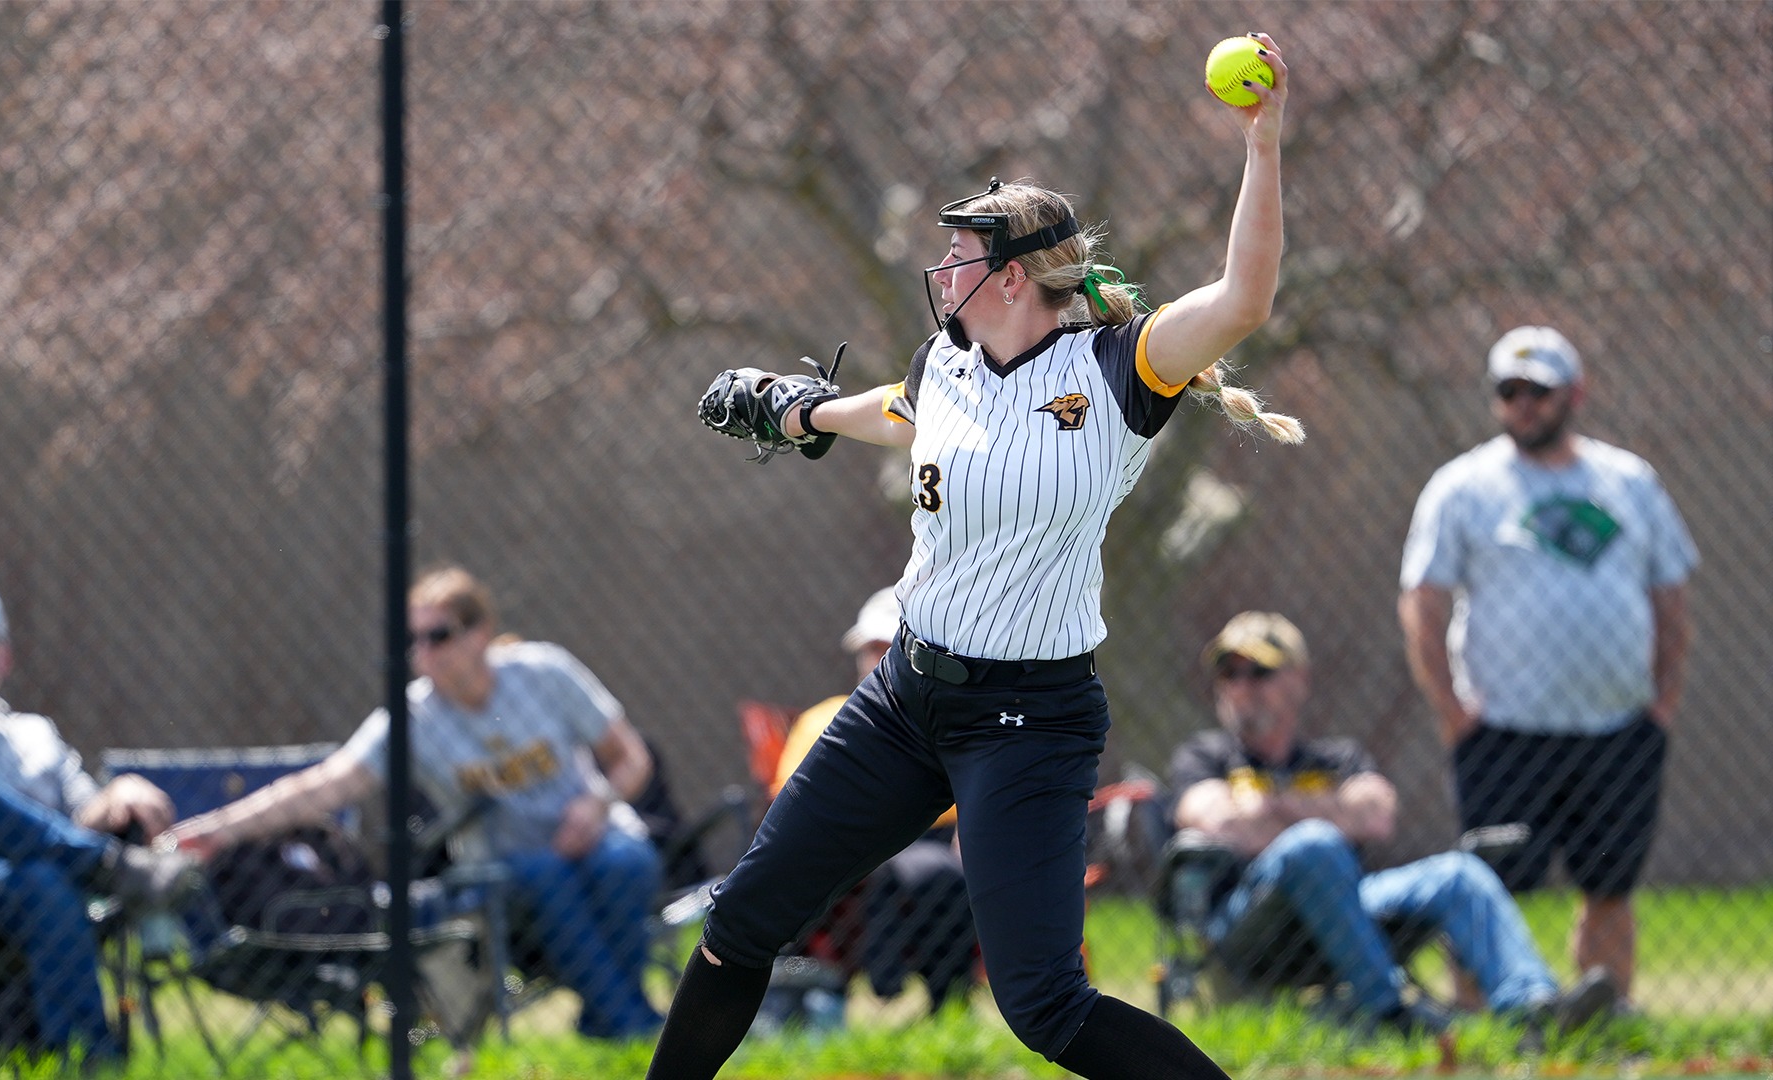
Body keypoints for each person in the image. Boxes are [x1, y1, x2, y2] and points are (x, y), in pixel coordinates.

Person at [654, 32, 1299, 1080]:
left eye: (961, 252)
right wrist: (795, 409)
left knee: (1044, 1007)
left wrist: (1263, 145)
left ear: (1009, 277)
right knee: (740, 922)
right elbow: (894, 413)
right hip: (905, 700)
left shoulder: (1121, 368)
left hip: (1029, 725)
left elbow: (1245, 300)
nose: (942, 266)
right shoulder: (947, 365)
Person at [166, 566, 666, 1041]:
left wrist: (597, 804)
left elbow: (632, 759)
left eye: (439, 635)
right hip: (502, 868)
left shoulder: (545, 673)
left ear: (481, 632)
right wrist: (219, 828)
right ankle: (631, 1024)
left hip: (599, 835)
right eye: (412, 640)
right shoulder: (412, 718)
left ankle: (610, 1018)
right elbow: (324, 785)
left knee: (630, 863)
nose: (424, 652)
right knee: (546, 875)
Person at [1397, 326, 1698, 1006]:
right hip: (1504, 732)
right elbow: (1422, 601)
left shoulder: (1629, 482)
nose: (1524, 404)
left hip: (1619, 730)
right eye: (1509, 391)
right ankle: (1477, 1022)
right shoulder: (1465, 486)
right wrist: (1453, 713)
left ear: (1576, 394)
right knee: (1486, 885)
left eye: (1539, 391)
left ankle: (1606, 1016)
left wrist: (1662, 705)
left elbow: (1671, 597)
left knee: (1611, 886)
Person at [1167, 611, 1616, 1040]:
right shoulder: (1203, 758)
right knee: (1314, 845)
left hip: (1350, 904)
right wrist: (1328, 815)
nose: (1243, 688)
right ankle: (1393, 1011)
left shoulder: (1338, 758)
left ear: (1299, 680)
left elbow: (1378, 815)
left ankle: (1534, 1009)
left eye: (1259, 673)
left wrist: (1269, 811)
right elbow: (1222, 822)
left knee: (1458, 873)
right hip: (1249, 920)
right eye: (1230, 674)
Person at [0, 583, 195, 1064]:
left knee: (42, 878)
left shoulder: (34, 735)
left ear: (2, 659)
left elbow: (85, 813)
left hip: (43, 889)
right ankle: (113, 868)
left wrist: (119, 792)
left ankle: (82, 1056)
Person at [765, 587, 977, 1020]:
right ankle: (869, 982)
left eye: (889, 647)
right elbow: (788, 804)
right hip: (846, 844)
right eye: (872, 648)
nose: (878, 659)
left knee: (939, 872)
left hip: (930, 840)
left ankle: (947, 1002)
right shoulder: (826, 717)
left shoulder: (945, 723)